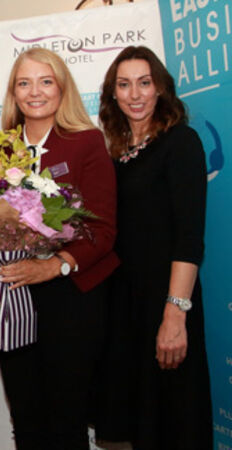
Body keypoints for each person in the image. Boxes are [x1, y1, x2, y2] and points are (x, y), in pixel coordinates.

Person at [0, 48, 119, 449]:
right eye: (24, 83)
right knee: (25, 417)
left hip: (71, 295)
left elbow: (102, 229)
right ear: (13, 93)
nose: (35, 92)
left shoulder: (86, 142)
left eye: (46, 82)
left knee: (65, 421)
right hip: (15, 293)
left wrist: (55, 265)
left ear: (62, 89)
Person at [93, 45, 211, 450]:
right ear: (113, 94)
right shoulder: (117, 151)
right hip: (126, 305)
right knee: (139, 424)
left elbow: (190, 238)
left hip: (167, 301)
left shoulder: (181, 142)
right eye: (124, 85)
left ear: (160, 87)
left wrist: (175, 314)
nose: (135, 94)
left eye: (144, 83)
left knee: (172, 422)